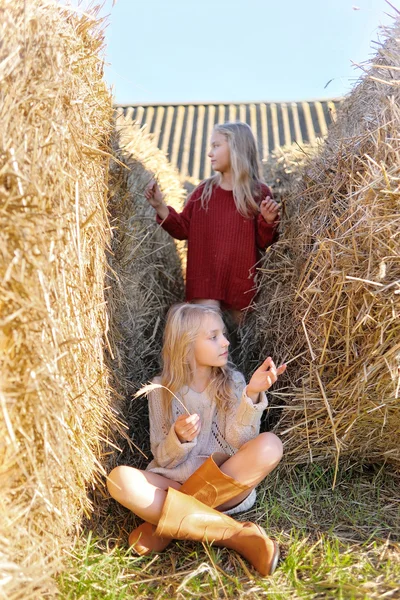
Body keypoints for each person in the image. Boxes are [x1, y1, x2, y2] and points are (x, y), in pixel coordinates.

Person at [107, 303, 286, 577]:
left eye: (222, 334)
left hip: (223, 485)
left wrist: (250, 395)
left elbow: (240, 442)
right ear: (186, 345)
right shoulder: (161, 390)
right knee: (119, 479)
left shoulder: (234, 382)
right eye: (213, 337)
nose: (225, 342)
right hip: (175, 481)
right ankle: (236, 535)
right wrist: (177, 438)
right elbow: (162, 456)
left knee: (270, 444)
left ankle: (166, 526)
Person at [144, 122, 280, 325]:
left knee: (240, 346)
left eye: (216, 146)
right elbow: (182, 228)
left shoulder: (258, 193)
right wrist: (160, 206)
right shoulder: (204, 191)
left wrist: (268, 221)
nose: (209, 153)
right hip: (205, 283)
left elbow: (263, 242)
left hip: (242, 286)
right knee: (208, 338)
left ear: (236, 148)